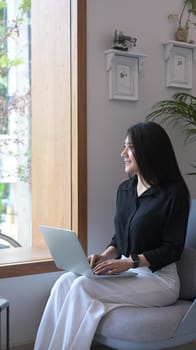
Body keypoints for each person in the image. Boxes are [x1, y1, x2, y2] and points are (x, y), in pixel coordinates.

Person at [34, 121, 190, 350]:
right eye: (123, 147)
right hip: (128, 271)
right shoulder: (124, 190)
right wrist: (107, 256)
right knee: (65, 281)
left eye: (130, 148)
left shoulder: (174, 195)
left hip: (159, 279)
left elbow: (173, 249)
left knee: (81, 287)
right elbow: (120, 237)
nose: (123, 154)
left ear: (148, 151)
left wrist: (129, 262)